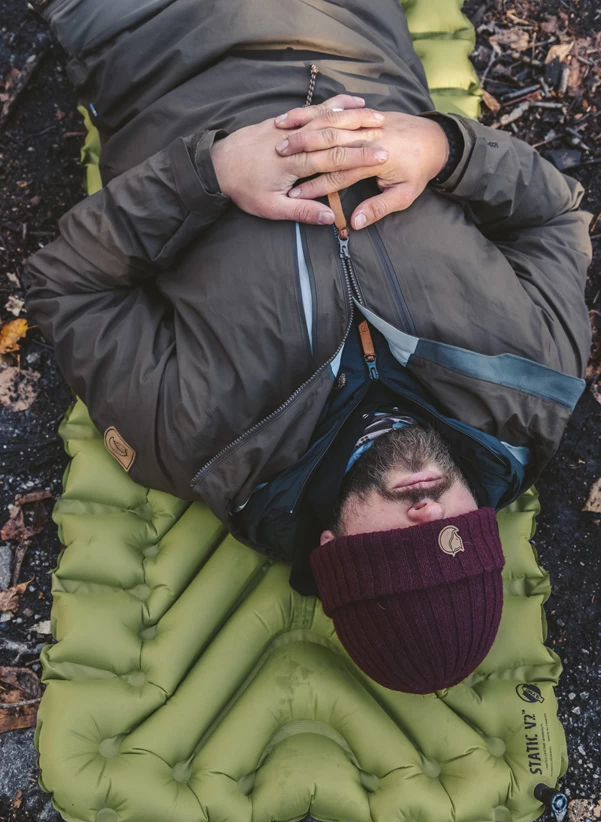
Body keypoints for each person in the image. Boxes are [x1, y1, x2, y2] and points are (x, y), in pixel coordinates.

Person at [25, 0, 592, 694]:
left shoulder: (200, 442)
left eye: (400, 547)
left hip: (148, 35)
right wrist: (445, 151)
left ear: (331, 550)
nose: (426, 513)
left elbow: (68, 287)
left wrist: (209, 173)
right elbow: (553, 216)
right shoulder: (534, 383)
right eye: (457, 536)